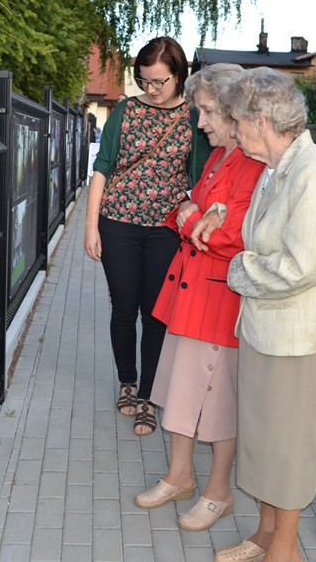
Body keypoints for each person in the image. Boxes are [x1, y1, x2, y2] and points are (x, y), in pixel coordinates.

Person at [201, 67, 316, 561]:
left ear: (261, 121)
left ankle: (285, 549)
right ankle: (266, 533)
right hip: (265, 327)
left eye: (237, 121)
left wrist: (240, 271)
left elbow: (301, 264)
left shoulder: (314, 171)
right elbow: (259, 234)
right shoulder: (275, 166)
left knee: (289, 446)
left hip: (297, 335)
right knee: (264, 439)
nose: (233, 130)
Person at [135, 64, 264, 531]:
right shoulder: (218, 157)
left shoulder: (251, 163)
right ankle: (179, 476)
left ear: (234, 111)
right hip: (191, 296)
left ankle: (219, 491)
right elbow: (183, 211)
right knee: (180, 391)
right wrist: (192, 216)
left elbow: (231, 235)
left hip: (218, 302)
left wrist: (193, 218)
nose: (201, 121)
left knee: (217, 401)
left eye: (208, 111)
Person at [84, 36, 211, 436]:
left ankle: (150, 398)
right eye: (144, 81)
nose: (151, 90)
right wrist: (91, 227)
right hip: (117, 224)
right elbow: (102, 168)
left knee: (156, 315)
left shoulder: (195, 118)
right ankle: (127, 381)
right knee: (123, 308)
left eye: (159, 81)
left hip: (165, 232)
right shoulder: (126, 110)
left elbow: (204, 175)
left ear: (179, 75)